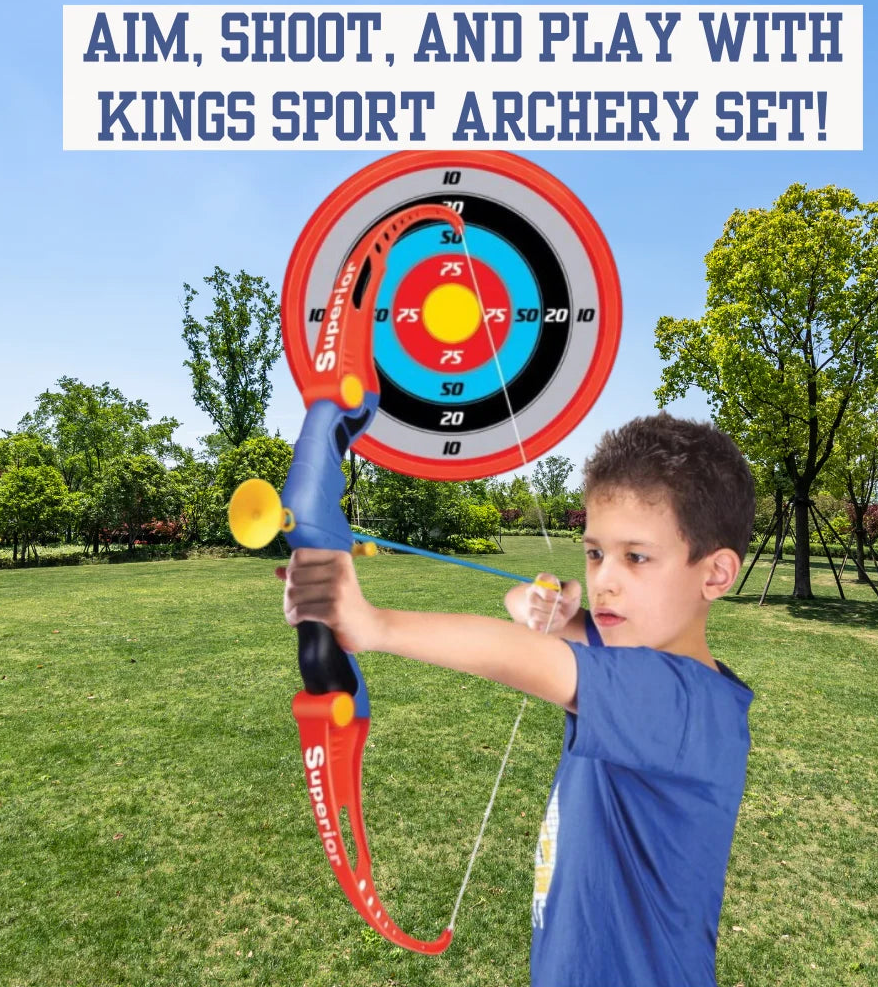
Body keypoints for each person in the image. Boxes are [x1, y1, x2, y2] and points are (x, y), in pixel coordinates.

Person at [276, 412, 756, 987]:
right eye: (596, 552)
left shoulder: (687, 706)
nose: (606, 579)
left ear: (716, 573)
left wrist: (371, 625)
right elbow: (518, 609)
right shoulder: (633, 649)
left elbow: (525, 655)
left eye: (637, 557)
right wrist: (547, 608)